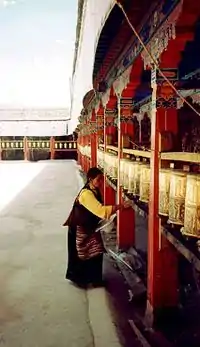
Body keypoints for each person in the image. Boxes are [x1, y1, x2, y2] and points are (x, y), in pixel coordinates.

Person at [63, 167, 130, 288]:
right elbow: (100, 211)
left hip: (89, 226)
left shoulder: (95, 190)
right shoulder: (86, 194)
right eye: (98, 179)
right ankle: (82, 279)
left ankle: (95, 279)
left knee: (97, 250)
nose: (100, 182)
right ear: (90, 179)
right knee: (84, 253)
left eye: (101, 179)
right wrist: (120, 206)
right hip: (80, 227)